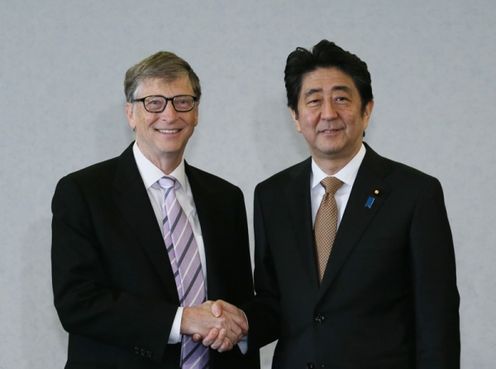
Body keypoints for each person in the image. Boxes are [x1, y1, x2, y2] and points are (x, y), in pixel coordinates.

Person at [214, 40, 460, 368]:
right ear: (296, 117)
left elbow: (436, 319)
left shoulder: (415, 194)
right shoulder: (272, 196)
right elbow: (276, 303)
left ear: (367, 110)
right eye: (314, 101)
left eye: (341, 99)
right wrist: (239, 324)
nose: (328, 113)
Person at [51, 51, 259, 369]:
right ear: (130, 114)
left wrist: (234, 324)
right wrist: (182, 320)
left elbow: (240, 301)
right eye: (154, 103)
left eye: (182, 101)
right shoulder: (83, 193)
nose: (170, 114)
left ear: (196, 112)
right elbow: (77, 303)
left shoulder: (225, 198)